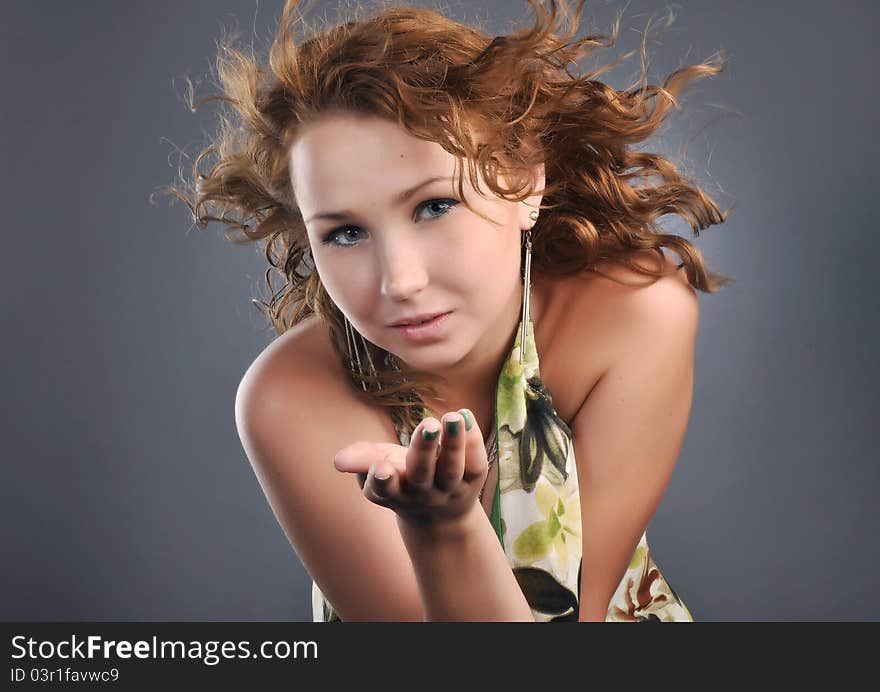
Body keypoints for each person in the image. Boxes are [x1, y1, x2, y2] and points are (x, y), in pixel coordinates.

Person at [160, 0, 733, 621]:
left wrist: (447, 528)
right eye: (346, 233)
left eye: (434, 206)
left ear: (527, 184)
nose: (400, 282)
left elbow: (576, 618)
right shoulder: (287, 396)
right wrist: (443, 532)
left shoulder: (636, 315)